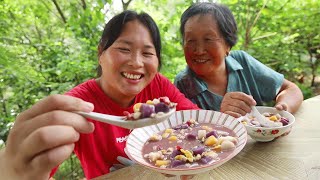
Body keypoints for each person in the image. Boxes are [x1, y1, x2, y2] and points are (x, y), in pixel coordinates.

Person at [0, 10, 198, 179]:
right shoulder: (77, 106)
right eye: (124, 49)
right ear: (101, 53)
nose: (137, 63)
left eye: (147, 53)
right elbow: (34, 169)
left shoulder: (158, 86)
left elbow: (196, 120)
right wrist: (11, 169)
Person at [174, 2, 303, 118]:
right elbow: (185, 132)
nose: (199, 50)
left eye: (208, 39)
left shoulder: (242, 62)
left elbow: (290, 89)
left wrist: (283, 108)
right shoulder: (183, 84)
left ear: (228, 44)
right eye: (190, 41)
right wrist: (222, 116)